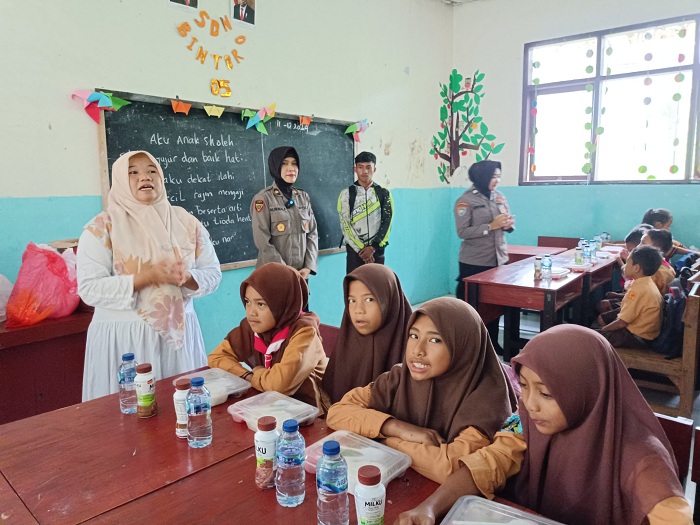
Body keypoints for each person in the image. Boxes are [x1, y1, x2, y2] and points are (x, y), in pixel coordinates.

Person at [394, 325, 691, 525]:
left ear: (587, 389)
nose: (530, 404)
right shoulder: (526, 423)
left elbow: (672, 515)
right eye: (524, 387)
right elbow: (488, 463)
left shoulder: (643, 459)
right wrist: (429, 509)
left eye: (547, 393)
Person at [327, 297, 524, 485]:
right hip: (403, 485)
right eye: (413, 336)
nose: (417, 350)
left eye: (435, 340)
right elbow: (337, 412)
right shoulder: (400, 377)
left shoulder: (487, 399)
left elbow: (452, 467)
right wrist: (397, 428)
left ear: (463, 346)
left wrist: (383, 440)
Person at [78, 151, 222, 401]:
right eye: (133, 172)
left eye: (152, 170)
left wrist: (188, 278)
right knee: (127, 419)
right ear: (121, 181)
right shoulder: (102, 227)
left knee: (181, 411)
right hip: (124, 342)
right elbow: (89, 289)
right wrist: (143, 278)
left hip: (179, 338)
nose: (144, 176)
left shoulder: (187, 221)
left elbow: (213, 273)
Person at [207, 262, 327, 411]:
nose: (251, 312)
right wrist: (247, 375)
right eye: (248, 302)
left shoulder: (305, 332)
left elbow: (279, 386)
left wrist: (256, 374)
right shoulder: (254, 326)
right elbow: (216, 357)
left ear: (282, 303)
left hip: (311, 416)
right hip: (271, 407)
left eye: (261, 304)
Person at [321, 264, 411, 404]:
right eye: (352, 301)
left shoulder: (413, 351)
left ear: (389, 299)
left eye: (369, 300)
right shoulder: (347, 343)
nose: (358, 310)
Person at [454, 160, 514, 353]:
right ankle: (473, 346)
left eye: (498, 176)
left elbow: (506, 223)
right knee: (475, 307)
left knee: (495, 305)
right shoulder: (465, 201)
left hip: (499, 259)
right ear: (481, 177)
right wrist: (490, 226)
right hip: (475, 261)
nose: (496, 180)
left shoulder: (500, 197)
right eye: (492, 176)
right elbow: (462, 232)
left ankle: (493, 343)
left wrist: (508, 225)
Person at [251, 146, 318, 283]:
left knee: (302, 305)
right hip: (273, 274)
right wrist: (285, 269)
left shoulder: (303, 197)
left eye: (294, 164)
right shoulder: (263, 199)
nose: (291, 168)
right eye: (284, 163)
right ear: (275, 166)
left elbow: (312, 233)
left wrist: (308, 267)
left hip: (301, 275)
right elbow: (262, 241)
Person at [338, 152, 394, 274]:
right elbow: (345, 224)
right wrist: (361, 249)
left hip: (377, 251)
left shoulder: (384, 194)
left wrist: (373, 247)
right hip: (355, 252)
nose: (365, 171)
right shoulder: (346, 194)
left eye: (368, 167)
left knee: (377, 288)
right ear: (355, 169)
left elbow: (387, 222)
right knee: (354, 288)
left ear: (375, 169)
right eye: (361, 167)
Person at [597, 245, 663, 348]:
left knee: (593, 339)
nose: (624, 266)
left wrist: (601, 331)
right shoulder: (646, 283)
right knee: (601, 325)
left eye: (627, 262)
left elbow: (621, 323)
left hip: (637, 337)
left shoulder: (639, 290)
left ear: (636, 268)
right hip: (645, 334)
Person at [641, 228, 676, 293]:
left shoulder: (654, 272)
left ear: (656, 249)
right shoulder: (666, 266)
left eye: (643, 243)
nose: (638, 246)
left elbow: (643, 294)